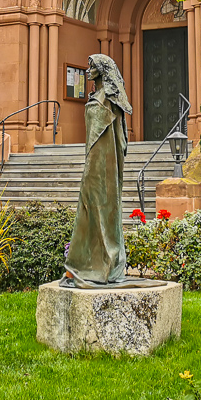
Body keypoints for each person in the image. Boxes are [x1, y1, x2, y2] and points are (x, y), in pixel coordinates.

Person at [62, 54, 159, 289]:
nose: (87, 70)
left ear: (103, 70)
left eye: (92, 66)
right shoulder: (96, 96)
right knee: (87, 210)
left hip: (104, 163)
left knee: (102, 209)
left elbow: (120, 137)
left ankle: (106, 264)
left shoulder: (109, 98)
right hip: (92, 161)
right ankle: (83, 264)